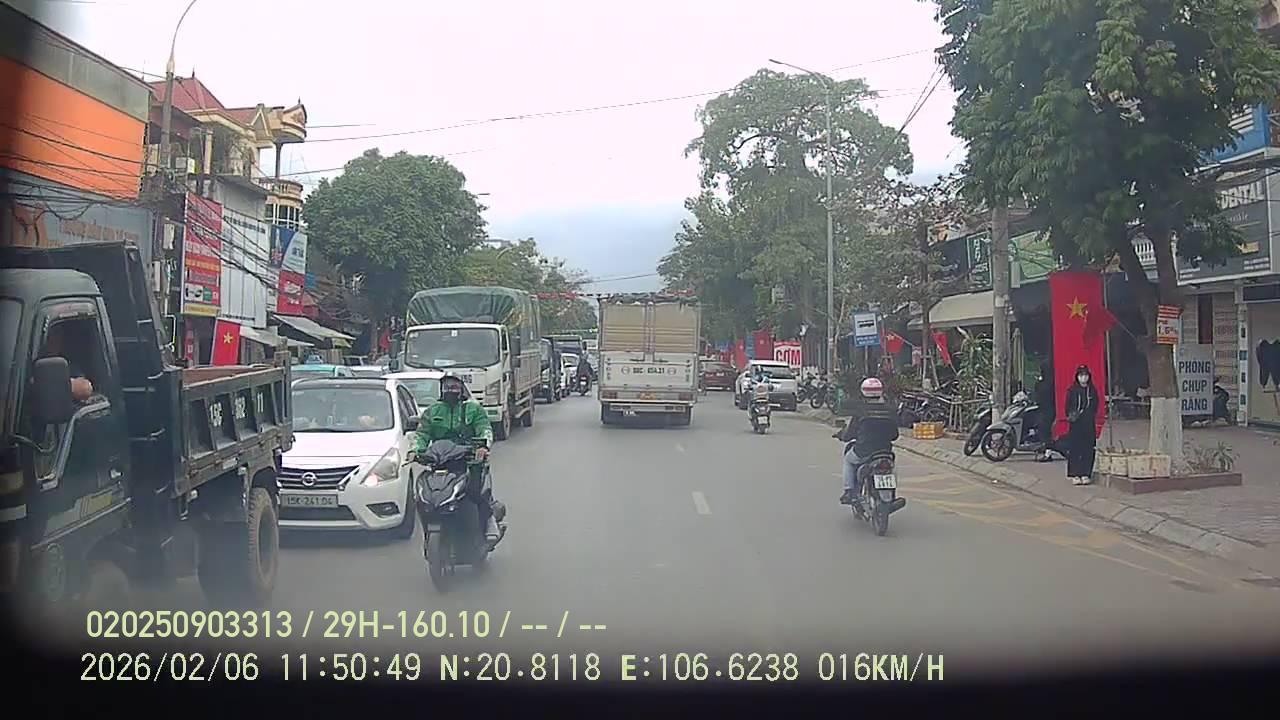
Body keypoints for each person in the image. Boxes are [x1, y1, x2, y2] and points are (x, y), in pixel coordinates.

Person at [409, 372, 504, 546]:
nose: (450, 390)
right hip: (440, 462)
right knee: (424, 497)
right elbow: (422, 434)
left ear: (462, 389)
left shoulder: (473, 409)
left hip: (469, 462)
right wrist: (415, 451)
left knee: (477, 492)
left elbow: (484, 429)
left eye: (454, 387)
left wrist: (483, 447)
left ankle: (489, 524)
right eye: (447, 387)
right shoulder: (432, 411)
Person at [834, 377, 900, 507]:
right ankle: (892, 495)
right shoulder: (890, 410)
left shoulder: (860, 410)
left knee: (848, 460)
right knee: (892, 468)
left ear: (863, 391)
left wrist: (842, 435)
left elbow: (850, 433)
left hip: (863, 452)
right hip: (885, 452)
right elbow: (894, 435)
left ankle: (849, 491)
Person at [1065, 364, 1101, 485]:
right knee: (1075, 448)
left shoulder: (1092, 390)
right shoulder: (1072, 390)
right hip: (1076, 424)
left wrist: (1090, 416)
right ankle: (1075, 474)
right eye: (1081, 375)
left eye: (1085, 375)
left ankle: (1086, 473)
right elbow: (1068, 407)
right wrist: (1072, 415)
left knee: (1088, 448)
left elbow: (1095, 405)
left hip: (1088, 423)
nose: (1083, 378)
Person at [40, 326, 94, 403]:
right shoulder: (26, 365)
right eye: (49, 337)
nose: (53, 341)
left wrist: (58, 383)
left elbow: (85, 388)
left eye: (57, 336)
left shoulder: (68, 366)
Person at [1034, 362, 1055, 462]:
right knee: (1044, 430)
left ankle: (1048, 452)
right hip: (1046, 409)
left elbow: (1038, 392)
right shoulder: (1051, 381)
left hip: (1047, 410)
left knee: (1045, 431)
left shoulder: (1045, 383)